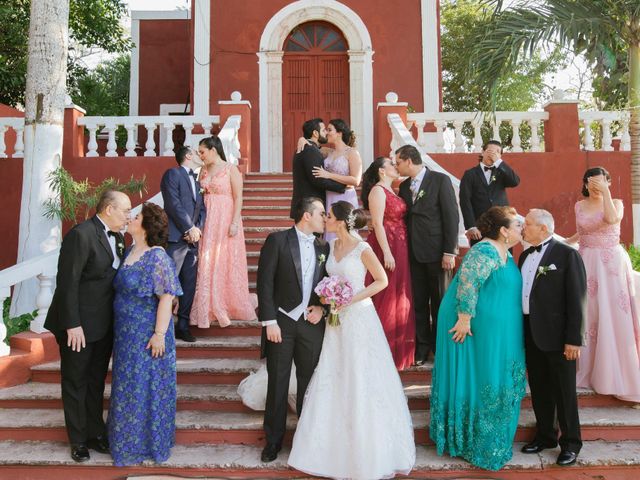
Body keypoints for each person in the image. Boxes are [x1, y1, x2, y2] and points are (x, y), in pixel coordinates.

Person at [288, 201, 415, 479]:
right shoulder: (330, 248)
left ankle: (365, 450)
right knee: (335, 373)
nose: (326, 219)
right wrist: (328, 300)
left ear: (343, 221)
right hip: (336, 322)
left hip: (358, 317)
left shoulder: (363, 248)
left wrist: (348, 299)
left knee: (359, 375)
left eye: (330, 216)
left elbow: (381, 280)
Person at [430, 206, 526, 471]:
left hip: (501, 330)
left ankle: (492, 439)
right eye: (517, 224)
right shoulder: (484, 250)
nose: (522, 228)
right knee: (481, 376)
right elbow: (468, 284)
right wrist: (464, 318)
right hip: (471, 326)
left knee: (497, 376)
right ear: (504, 231)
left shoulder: (504, 250)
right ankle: (474, 442)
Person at [44, 190, 131, 462]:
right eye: (125, 210)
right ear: (108, 209)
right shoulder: (81, 235)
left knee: (95, 382)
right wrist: (72, 324)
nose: (129, 216)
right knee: (75, 381)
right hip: (78, 326)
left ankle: (95, 433)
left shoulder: (118, 238)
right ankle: (78, 440)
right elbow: (67, 282)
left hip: (104, 325)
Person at [107, 203, 182, 466]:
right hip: (126, 335)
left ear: (146, 226)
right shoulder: (130, 250)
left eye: (136, 216)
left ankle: (147, 445)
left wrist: (159, 334)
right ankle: (126, 441)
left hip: (148, 334)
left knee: (146, 387)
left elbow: (166, 297)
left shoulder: (157, 256)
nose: (130, 218)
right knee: (128, 387)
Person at [257, 197, 330, 463]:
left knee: (308, 383)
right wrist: (269, 322)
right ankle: (273, 441)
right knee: (278, 381)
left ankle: (305, 439)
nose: (326, 217)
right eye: (322, 213)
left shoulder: (324, 246)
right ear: (306, 215)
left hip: (311, 324)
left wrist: (323, 309)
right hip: (282, 323)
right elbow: (264, 283)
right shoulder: (277, 241)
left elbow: (328, 284)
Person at [520, 209, 586, 466]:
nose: (523, 228)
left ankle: (571, 443)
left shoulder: (567, 254)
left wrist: (574, 339)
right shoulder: (524, 255)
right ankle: (546, 436)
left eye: (527, 224)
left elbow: (578, 299)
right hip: (531, 333)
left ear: (544, 229)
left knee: (564, 392)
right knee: (539, 388)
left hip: (559, 338)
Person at [568, 167, 640, 403]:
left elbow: (611, 219)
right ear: (585, 183)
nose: (596, 185)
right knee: (589, 313)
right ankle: (588, 371)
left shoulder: (616, 203)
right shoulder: (579, 205)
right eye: (592, 181)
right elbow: (581, 232)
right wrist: (562, 242)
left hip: (610, 264)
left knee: (612, 314)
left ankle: (615, 374)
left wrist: (606, 193)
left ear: (608, 182)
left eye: (601, 181)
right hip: (586, 260)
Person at [396, 144, 459, 365]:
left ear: (409, 161)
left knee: (441, 301)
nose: (397, 167)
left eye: (398, 162)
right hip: (413, 254)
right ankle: (423, 348)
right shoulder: (404, 187)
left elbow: (451, 216)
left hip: (438, 253)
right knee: (419, 303)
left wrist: (449, 251)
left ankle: (442, 347)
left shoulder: (440, 180)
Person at [190, 135, 257, 327]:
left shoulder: (230, 169)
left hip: (225, 217)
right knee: (206, 259)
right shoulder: (202, 170)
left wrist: (235, 222)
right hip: (206, 219)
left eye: (203, 151)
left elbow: (238, 197)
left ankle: (226, 302)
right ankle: (206, 305)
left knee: (224, 259)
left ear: (213, 149)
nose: (200, 155)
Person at [361, 156, 415, 370]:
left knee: (399, 292)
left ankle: (396, 346)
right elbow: (376, 222)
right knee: (386, 292)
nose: (395, 166)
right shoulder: (378, 191)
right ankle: (378, 350)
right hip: (387, 245)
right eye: (391, 164)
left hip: (400, 243)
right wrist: (386, 252)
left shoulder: (394, 190)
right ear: (382, 171)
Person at [160, 146, 205, 342]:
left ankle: (183, 325)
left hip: (192, 241)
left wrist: (197, 230)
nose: (200, 155)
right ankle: (163, 326)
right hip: (176, 239)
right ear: (188, 156)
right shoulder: (173, 174)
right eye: (196, 152)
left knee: (189, 283)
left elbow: (202, 209)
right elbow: (172, 203)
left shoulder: (197, 181)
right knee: (168, 283)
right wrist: (189, 228)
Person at [459, 140, 520, 245]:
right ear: (482, 152)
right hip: (480, 228)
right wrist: (471, 226)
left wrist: (499, 162)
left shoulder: (502, 172)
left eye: (496, 152)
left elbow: (515, 181)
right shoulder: (470, 174)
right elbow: (465, 201)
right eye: (489, 150)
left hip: (503, 226)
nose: (492, 154)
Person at [312, 119, 362, 240]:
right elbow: (311, 144)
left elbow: (356, 180)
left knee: (344, 231)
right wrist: (301, 140)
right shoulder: (327, 152)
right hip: (329, 196)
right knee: (330, 231)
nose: (327, 133)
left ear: (339, 133)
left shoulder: (352, 153)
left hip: (345, 196)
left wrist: (328, 175)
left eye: (330, 130)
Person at [289, 118, 345, 219]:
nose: (326, 133)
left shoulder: (308, 147)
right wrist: (341, 187)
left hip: (306, 206)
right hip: (309, 208)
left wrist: (302, 139)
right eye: (323, 130)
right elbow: (318, 179)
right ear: (315, 133)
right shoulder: (310, 150)